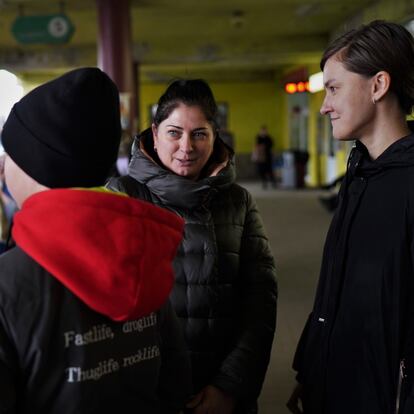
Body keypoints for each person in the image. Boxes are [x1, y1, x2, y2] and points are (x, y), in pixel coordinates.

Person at [0, 68, 191, 413]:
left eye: (9, 153)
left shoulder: (7, 280)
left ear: (34, 164)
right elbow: (175, 382)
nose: (2, 168)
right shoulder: (145, 253)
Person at [107, 79, 277, 414]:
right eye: (174, 132)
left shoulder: (238, 202)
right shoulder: (121, 196)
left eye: (199, 133)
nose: (187, 146)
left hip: (219, 389)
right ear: (155, 134)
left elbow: (260, 300)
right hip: (143, 390)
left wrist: (230, 386)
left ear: (215, 137)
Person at [287, 20, 414, 414]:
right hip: (334, 385)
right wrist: (312, 370)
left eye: (334, 88)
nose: (324, 105)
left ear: (378, 86)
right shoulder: (360, 173)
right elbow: (336, 287)